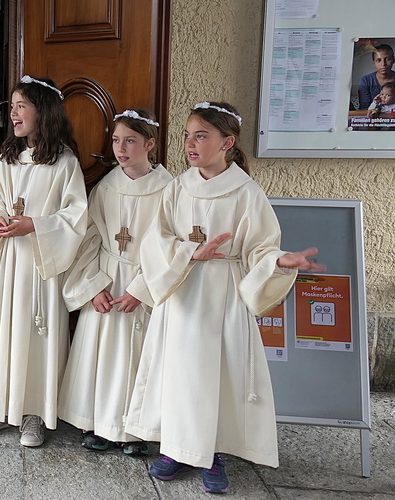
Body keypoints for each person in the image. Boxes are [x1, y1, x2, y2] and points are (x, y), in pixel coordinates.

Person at [124, 101, 324, 494]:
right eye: (187, 136)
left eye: (202, 135)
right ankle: (176, 447)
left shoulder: (246, 193)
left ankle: (212, 452)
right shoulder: (178, 187)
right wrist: (189, 253)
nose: (190, 144)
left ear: (227, 141)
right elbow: (155, 240)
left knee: (216, 376)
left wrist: (280, 260)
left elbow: (260, 247)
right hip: (182, 294)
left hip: (223, 295)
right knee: (178, 372)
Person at [0, 76, 88, 447]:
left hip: (41, 265)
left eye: (22, 105)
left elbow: (76, 216)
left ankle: (34, 413)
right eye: (12, 105)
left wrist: (35, 225)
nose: (13, 113)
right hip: (10, 264)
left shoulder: (65, 163)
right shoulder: (8, 160)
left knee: (38, 337)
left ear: (44, 111)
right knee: (5, 330)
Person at [57, 108, 172, 455]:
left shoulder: (169, 190)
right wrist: (92, 286)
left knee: (135, 356)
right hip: (106, 279)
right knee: (101, 354)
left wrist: (142, 290)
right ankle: (95, 422)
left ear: (149, 144)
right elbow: (88, 239)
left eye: (130, 141)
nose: (121, 148)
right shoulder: (106, 186)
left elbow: (170, 248)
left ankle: (133, 430)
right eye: (117, 140)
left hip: (141, 281)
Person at [358, 44, 394, 111]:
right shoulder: (366, 80)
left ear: (393, 60)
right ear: (374, 63)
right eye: (378, 60)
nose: (383, 64)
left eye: (387, 59)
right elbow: (364, 108)